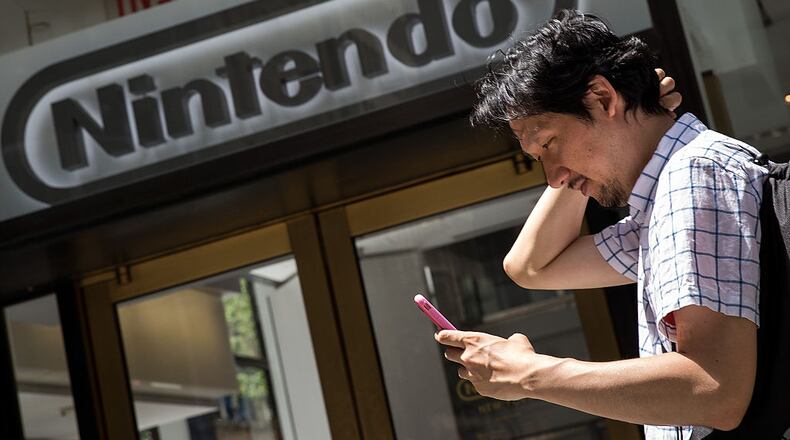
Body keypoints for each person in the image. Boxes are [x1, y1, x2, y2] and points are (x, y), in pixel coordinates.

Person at [434, 10, 767, 439]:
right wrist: (627, 123)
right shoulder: (662, 202)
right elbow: (531, 266)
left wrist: (530, 374)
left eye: (549, 143)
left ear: (603, 98)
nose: (553, 176)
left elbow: (714, 390)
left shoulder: (690, 177)